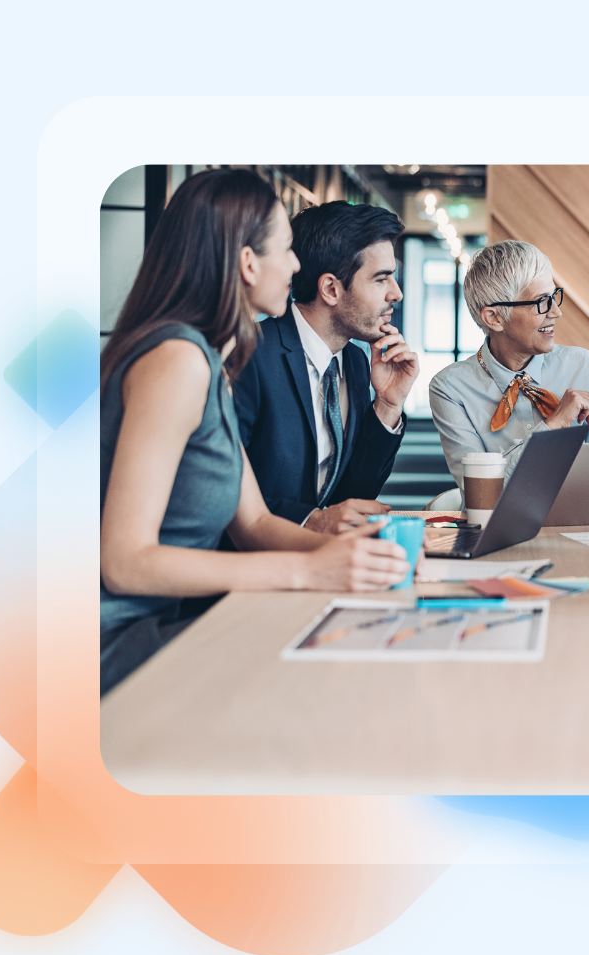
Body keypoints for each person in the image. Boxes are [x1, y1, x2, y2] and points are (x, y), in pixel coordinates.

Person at [99, 169, 411, 696]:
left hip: (175, 623)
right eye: (286, 250)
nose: (296, 266)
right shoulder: (178, 360)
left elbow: (255, 523)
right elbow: (123, 563)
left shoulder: (212, 359)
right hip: (120, 642)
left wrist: (360, 557)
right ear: (248, 263)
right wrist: (307, 572)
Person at [231, 201, 417, 534]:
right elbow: (224, 488)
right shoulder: (250, 355)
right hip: (250, 564)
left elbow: (351, 501)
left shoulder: (357, 363)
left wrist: (387, 405)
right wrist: (311, 521)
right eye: (381, 280)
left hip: (323, 563)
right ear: (331, 289)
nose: (397, 294)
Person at [429, 239, 589, 488]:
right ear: (494, 318)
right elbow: (482, 490)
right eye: (541, 302)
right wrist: (553, 426)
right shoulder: (450, 388)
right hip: (492, 526)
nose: (556, 312)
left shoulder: (582, 365)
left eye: (554, 296)